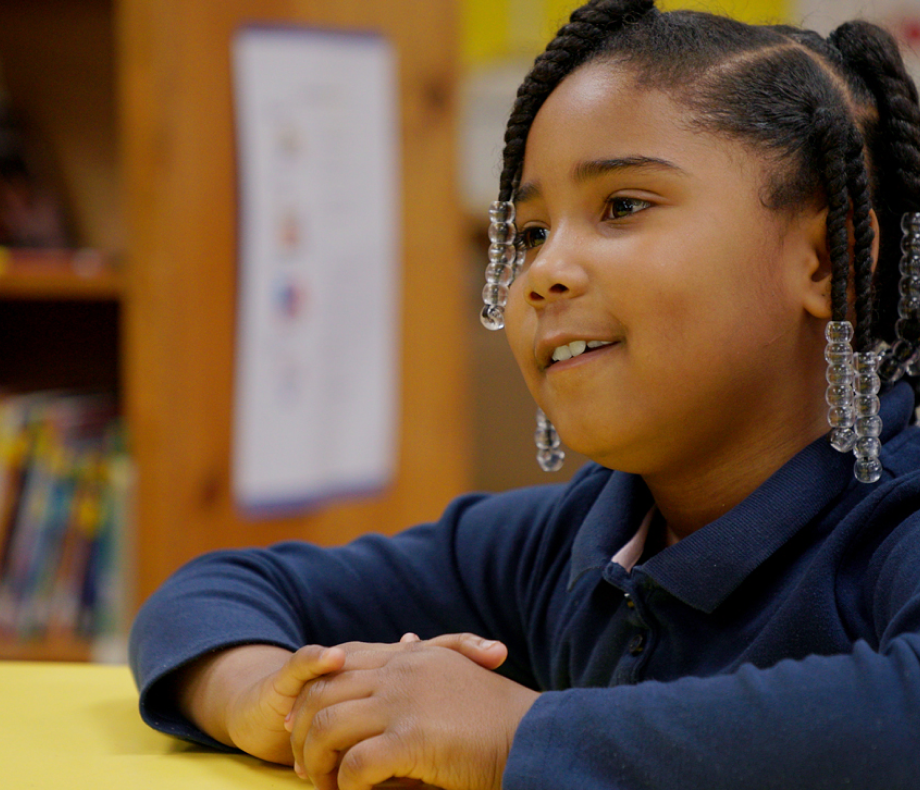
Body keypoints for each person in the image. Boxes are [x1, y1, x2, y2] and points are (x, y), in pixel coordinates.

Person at [129, 1, 920, 788]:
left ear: (827, 260)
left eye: (623, 207)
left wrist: (516, 733)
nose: (544, 272)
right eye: (532, 232)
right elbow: (215, 591)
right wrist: (261, 696)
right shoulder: (575, 540)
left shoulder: (896, 524)